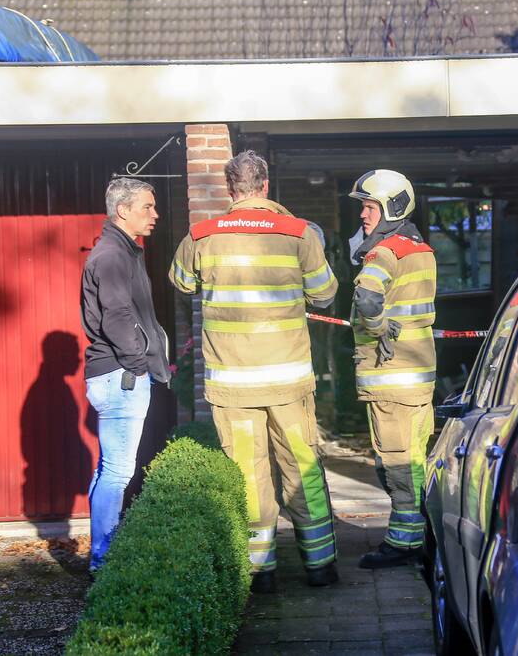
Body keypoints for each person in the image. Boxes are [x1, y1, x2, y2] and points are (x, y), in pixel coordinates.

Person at [169, 151, 340, 592]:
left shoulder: (201, 235)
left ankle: (261, 573)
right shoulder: (299, 232)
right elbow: (324, 294)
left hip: (233, 383)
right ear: (265, 186)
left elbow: (181, 281)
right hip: (288, 379)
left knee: (248, 474)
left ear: (231, 190)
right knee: (301, 465)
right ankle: (320, 567)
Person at [347, 169, 438, 569]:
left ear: (392, 208)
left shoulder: (383, 252)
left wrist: (380, 327)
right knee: (416, 457)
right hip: (419, 376)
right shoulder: (421, 249)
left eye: (370, 207)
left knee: (395, 460)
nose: (364, 215)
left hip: (388, 377)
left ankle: (403, 542)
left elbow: (367, 298)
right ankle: (424, 532)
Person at [80, 177, 171, 573]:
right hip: (121, 376)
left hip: (118, 374)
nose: (155, 214)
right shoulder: (113, 256)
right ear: (123, 211)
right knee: (117, 471)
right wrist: (137, 363)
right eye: (147, 207)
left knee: (108, 469)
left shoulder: (122, 252)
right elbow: (117, 316)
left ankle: (102, 554)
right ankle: (104, 560)